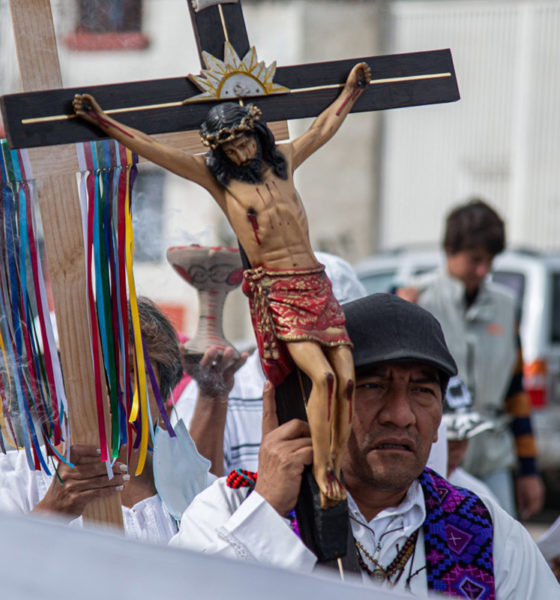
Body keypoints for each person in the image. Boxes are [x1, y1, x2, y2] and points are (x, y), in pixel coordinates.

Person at [72, 61, 371, 508]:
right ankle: (327, 475)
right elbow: (155, 150)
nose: (239, 152)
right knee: (323, 376)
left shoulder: (285, 162)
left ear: (258, 134)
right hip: (281, 291)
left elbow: (323, 129)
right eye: (228, 147)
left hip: (316, 284)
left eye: (244, 140)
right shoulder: (219, 180)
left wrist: (351, 92)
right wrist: (102, 121)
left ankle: (336, 465)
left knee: (347, 380)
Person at [170, 293, 558, 598]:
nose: (400, 414)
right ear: (318, 401)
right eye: (373, 386)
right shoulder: (232, 507)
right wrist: (267, 512)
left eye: (423, 390)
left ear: (440, 418)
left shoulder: (488, 534)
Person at [397, 199, 544, 519]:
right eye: (475, 259)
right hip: (437, 458)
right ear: (450, 249)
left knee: (501, 548)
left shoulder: (506, 308)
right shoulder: (414, 300)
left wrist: (529, 470)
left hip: (493, 457)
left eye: (490, 261)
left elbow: (516, 394)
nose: (483, 270)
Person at [0, 297, 186, 544]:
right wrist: (53, 508)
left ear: (162, 392)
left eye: (133, 370)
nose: (115, 387)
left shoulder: (196, 489)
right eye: (98, 369)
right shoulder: (16, 479)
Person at [175, 251, 367, 475]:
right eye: (302, 322)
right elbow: (189, 498)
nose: (318, 337)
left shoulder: (368, 386)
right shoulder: (223, 391)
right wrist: (211, 400)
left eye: (332, 325)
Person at [443, 375, 499, 503]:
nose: (457, 451)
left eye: (464, 439)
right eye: (449, 441)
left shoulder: (479, 496)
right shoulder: (399, 492)